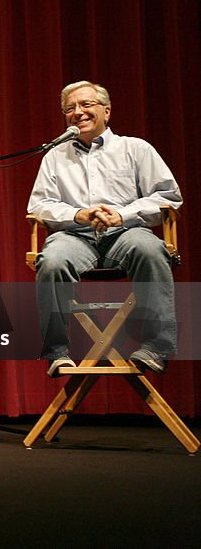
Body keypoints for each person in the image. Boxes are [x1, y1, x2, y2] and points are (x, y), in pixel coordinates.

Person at [28, 80, 181, 376]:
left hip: (126, 234)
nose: (78, 112)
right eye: (70, 108)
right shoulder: (55, 157)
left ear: (107, 111)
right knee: (53, 260)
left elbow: (168, 196)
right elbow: (40, 206)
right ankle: (56, 352)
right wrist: (79, 214)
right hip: (74, 236)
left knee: (150, 248)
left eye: (86, 105)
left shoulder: (135, 149)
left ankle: (156, 347)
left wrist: (122, 215)